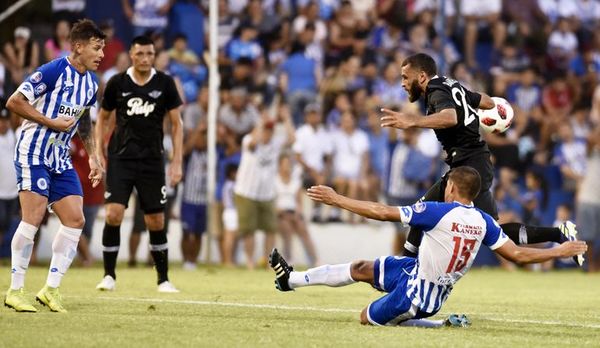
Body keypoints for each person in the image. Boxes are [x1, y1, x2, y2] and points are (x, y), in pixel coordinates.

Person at [269, 166, 587, 326]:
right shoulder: (484, 222)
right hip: (414, 271)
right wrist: (557, 251)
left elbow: (382, 213)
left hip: (418, 298)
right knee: (360, 268)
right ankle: (290, 280)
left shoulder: (439, 211)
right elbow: (515, 254)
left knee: (365, 318)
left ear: (451, 187)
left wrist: (337, 198)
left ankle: (435, 325)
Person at [379, 53, 583, 266]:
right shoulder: (451, 85)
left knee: (426, 215)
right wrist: (493, 111)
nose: (402, 83)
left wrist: (412, 121)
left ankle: (403, 266)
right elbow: (485, 101)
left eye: (405, 77)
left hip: (470, 166)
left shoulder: (436, 91)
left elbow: (450, 117)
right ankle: (559, 233)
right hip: (469, 163)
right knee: (431, 216)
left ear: (421, 76)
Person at [4, 19, 105, 313]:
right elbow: (15, 101)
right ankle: (15, 290)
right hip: (33, 151)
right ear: (78, 46)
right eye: (96, 48)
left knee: (75, 219)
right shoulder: (54, 70)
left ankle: (51, 289)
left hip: (60, 158)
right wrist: (50, 122)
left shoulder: (91, 83)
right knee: (32, 217)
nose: (101, 55)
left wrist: (95, 157)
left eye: (102, 49)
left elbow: (84, 121)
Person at [94, 35, 183, 293]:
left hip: (153, 160)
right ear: (131, 55)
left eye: (150, 54)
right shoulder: (117, 83)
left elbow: (177, 124)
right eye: (140, 54)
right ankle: (109, 275)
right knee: (114, 214)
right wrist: (98, 151)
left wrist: (176, 161)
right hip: (121, 158)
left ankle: (163, 279)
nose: (145, 59)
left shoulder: (165, 83)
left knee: (155, 220)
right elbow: (102, 118)